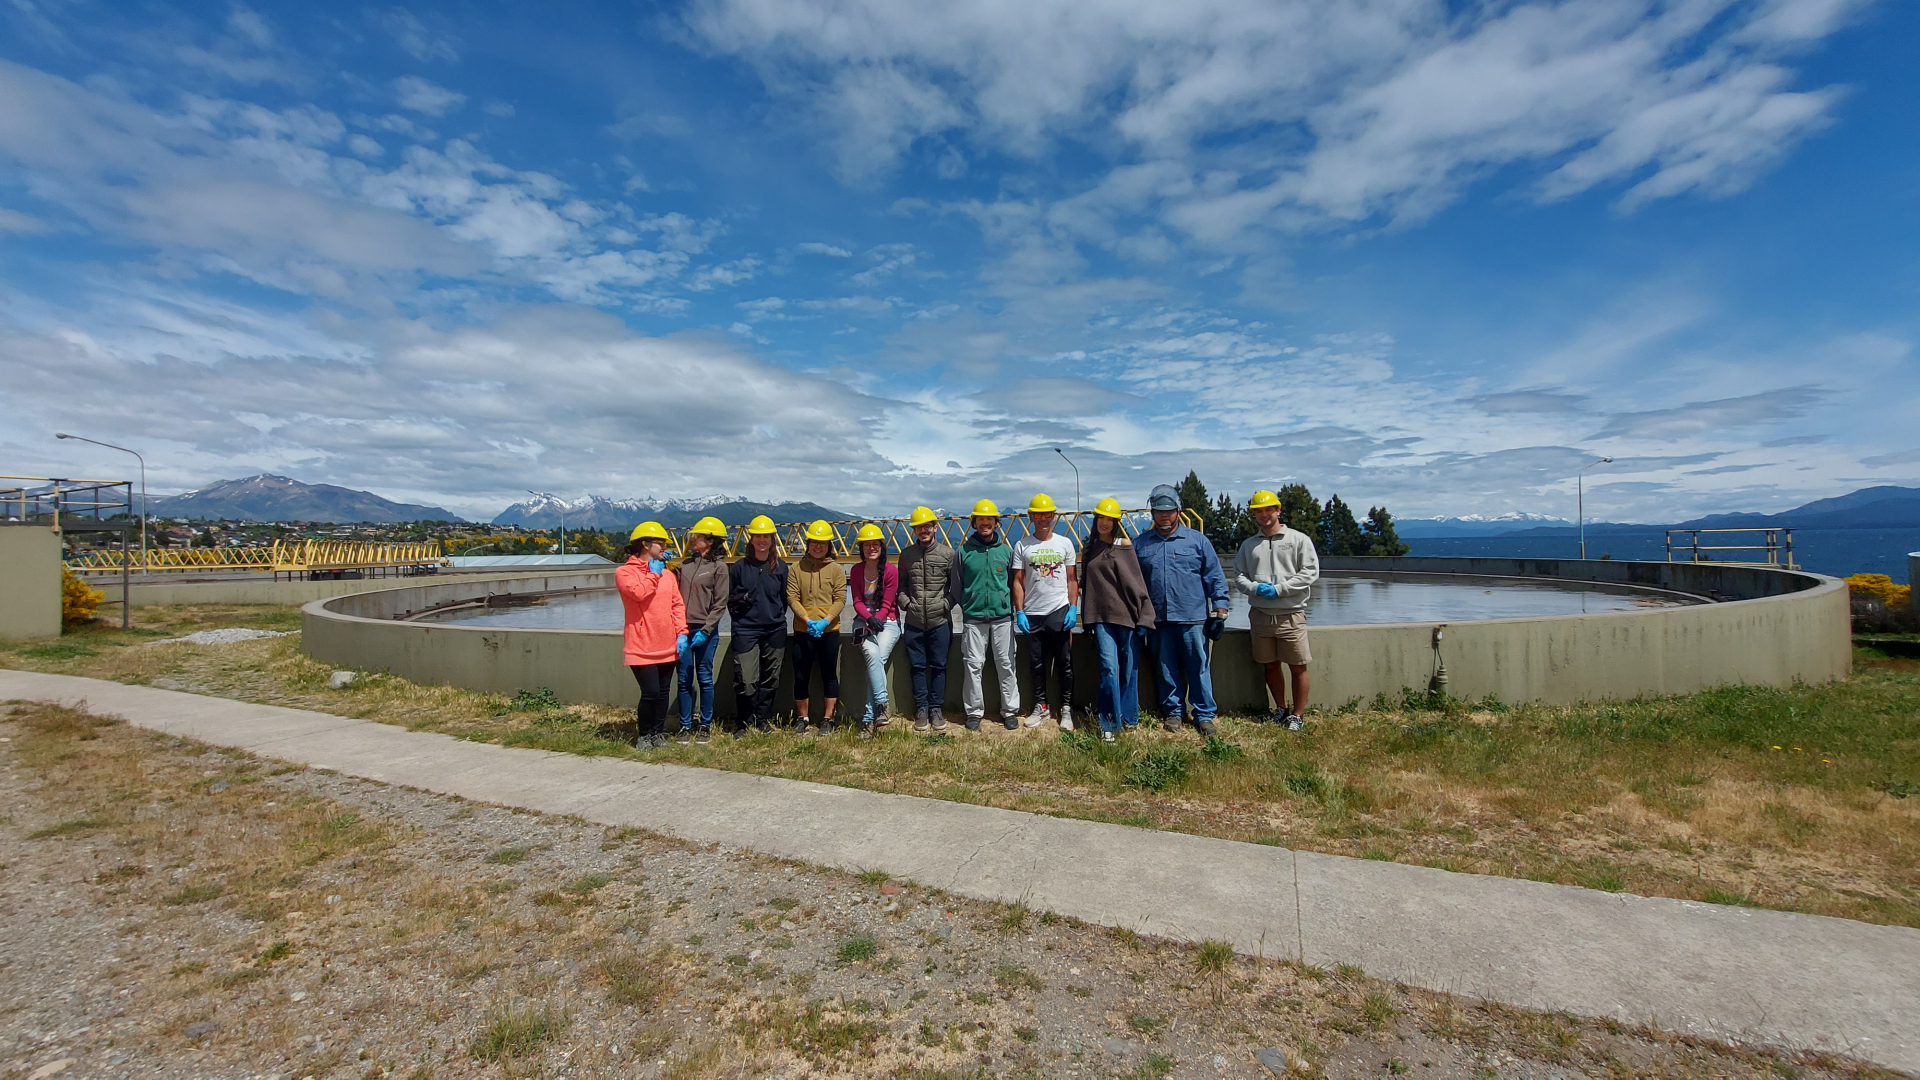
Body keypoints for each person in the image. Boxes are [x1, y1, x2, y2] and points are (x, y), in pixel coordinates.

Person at [1134, 483, 1230, 737]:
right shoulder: (1140, 544)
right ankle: (1173, 712)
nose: (1164, 516)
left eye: (1169, 511)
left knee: (1198, 666)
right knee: (1165, 668)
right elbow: (1132, 584)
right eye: (1159, 511)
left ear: (1179, 511)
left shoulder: (1198, 541)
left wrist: (1220, 607)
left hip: (1193, 618)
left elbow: (1215, 577)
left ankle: (1204, 715)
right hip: (1158, 620)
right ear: (1151, 513)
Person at [1233, 489, 1320, 730]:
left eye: (1268, 510)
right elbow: (1239, 574)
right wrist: (1254, 588)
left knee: (1298, 665)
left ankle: (1298, 715)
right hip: (1260, 616)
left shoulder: (1298, 540)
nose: (1263, 515)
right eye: (1258, 511)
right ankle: (1281, 709)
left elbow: (1310, 573)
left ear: (1278, 510)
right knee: (1269, 664)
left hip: (1290, 614)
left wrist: (1280, 589)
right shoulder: (1250, 545)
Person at [1077, 498, 1154, 743]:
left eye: (1109, 519)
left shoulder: (1123, 545)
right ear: (1096, 520)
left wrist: (1144, 616)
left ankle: (1129, 719)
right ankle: (1109, 724)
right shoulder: (1089, 548)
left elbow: (1135, 583)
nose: (1104, 523)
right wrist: (1084, 617)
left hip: (1126, 617)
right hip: (1100, 618)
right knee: (1108, 668)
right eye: (1101, 518)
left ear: (1116, 522)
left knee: (1129, 669)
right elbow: (1086, 586)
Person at [616, 521, 688, 750]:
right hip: (641, 644)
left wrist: (682, 632)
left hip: (667, 642)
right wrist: (653, 575)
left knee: (663, 692)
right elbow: (638, 593)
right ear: (645, 545)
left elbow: (677, 604)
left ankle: (659, 733)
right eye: (661, 542)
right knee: (650, 692)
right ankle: (644, 735)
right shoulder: (624, 572)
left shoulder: (667, 575)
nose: (665, 546)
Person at [1011, 493, 1078, 731]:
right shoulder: (1022, 545)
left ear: (1054, 517)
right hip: (1033, 613)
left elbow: (1072, 579)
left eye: (1047, 514)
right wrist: (1020, 611)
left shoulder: (1065, 543)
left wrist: (1073, 608)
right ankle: (1042, 706)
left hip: (1058, 611)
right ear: (1031, 517)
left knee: (1064, 662)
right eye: (1038, 514)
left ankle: (1067, 708)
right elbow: (1017, 581)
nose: (1043, 519)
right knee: (1036, 664)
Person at [957, 499, 1020, 731]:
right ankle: (974, 713)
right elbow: (957, 584)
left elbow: (1014, 583)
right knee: (973, 665)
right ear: (974, 523)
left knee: (1006, 663)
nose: (985, 523)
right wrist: (968, 604)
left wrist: (1013, 609)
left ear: (996, 522)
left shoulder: (1006, 551)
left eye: (990, 519)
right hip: (973, 618)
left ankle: (1010, 710)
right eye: (981, 520)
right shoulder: (964, 551)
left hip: (1002, 617)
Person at [897, 505, 959, 732]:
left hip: (939, 621)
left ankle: (936, 708)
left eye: (927, 526)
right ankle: (921, 708)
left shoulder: (947, 555)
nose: (923, 531)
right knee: (917, 666)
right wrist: (906, 604)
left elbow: (956, 589)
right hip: (913, 621)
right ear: (914, 531)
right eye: (918, 527)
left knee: (939, 666)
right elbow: (901, 585)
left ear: (935, 528)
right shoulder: (906, 555)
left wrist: (945, 605)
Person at [727, 514, 788, 732]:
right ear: (751, 540)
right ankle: (744, 722)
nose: (762, 540)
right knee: (746, 680)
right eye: (757, 536)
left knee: (771, 678)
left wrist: (774, 617)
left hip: (774, 629)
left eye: (766, 536)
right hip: (746, 630)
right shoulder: (739, 568)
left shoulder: (780, 568)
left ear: (772, 539)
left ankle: (762, 720)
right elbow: (731, 600)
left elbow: (783, 600)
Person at [673, 516, 730, 744]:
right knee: (684, 679)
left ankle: (705, 725)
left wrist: (706, 630)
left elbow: (720, 603)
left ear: (710, 540)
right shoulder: (684, 566)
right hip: (682, 630)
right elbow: (670, 591)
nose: (692, 539)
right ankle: (685, 725)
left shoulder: (719, 568)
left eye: (697, 536)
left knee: (705, 677)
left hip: (705, 631)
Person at [788, 519, 848, 734]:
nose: (818, 546)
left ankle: (828, 718)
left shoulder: (836, 569)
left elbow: (840, 598)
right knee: (801, 674)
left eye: (823, 543)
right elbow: (792, 597)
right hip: (803, 630)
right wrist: (807, 620)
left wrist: (826, 621)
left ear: (829, 545)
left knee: (829, 674)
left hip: (829, 631)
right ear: (808, 543)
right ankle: (802, 718)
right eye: (815, 542)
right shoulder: (796, 568)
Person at [849, 523, 901, 738]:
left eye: (875, 544)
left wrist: (877, 620)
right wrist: (869, 620)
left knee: (875, 659)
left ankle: (869, 719)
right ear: (861, 548)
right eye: (867, 545)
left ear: (882, 546)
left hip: (887, 621)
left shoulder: (890, 571)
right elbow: (857, 601)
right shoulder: (856, 570)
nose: (871, 548)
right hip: (864, 620)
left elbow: (888, 602)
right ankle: (882, 704)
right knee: (873, 655)